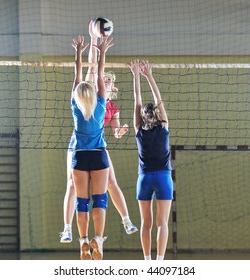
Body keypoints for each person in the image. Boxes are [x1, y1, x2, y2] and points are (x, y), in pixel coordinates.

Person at [60, 21, 137, 244]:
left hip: (97, 145)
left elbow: (117, 133)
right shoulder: (95, 95)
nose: (105, 80)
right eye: (104, 79)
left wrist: (122, 131)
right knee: (72, 184)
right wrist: (94, 38)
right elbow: (93, 67)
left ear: (112, 86)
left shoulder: (110, 107)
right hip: (81, 144)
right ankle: (67, 229)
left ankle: (126, 220)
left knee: (111, 182)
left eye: (109, 81)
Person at [70, 33, 113, 260]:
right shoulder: (100, 107)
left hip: (79, 156)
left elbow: (78, 76)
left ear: (77, 96)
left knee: (82, 201)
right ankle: (98, 239)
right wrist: (101, 50)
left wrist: (78, 51)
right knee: (100, 199)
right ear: (94, 95)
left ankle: (83, 241)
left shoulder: (76, 108)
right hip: (98, 156)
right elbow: (101, 74)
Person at [128, 59, 173, 260]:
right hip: (163, 178)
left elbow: (137, 99)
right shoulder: (163, 127)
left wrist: (135, 75)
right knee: (162, 222)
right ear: (156, 114)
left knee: (146, 223)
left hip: (144, 178)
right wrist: (149, 76)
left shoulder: (139, 130)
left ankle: (147, 263)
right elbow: (159, 98)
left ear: (142, 117)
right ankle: (159, 264)